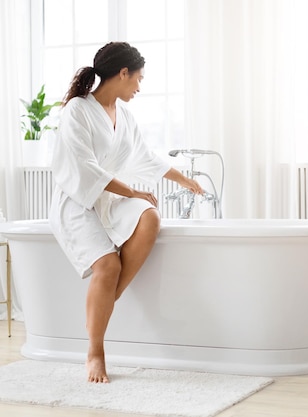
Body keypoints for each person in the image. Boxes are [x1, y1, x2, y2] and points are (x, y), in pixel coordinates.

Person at [49, 42, 203, 383]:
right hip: (78, 202)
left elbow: (146, 157)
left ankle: (107, 297)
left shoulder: (125, 116)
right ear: (123, 73)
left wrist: (184, 179)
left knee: (149, 215)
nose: (139, 86)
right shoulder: (77, 110)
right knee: (108, 264)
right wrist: (132, 190)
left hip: (109, 201)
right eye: (138, 79)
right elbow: (84, 170)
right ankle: (95, 353)